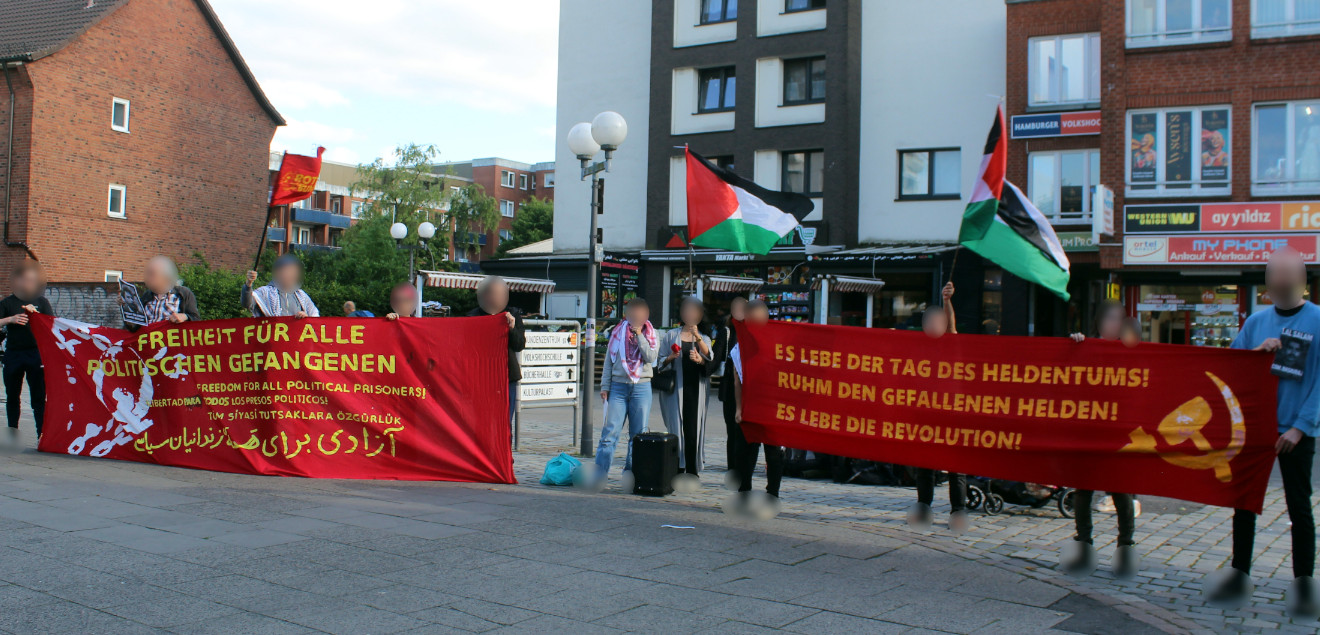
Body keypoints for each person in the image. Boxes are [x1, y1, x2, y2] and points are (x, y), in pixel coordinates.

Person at [1208, 249, 1319, 617]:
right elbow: (1235, 371)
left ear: (1301, 280)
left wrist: (1301, 428)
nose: (1282, 283)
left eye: (1289, 276)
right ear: (1269, 282)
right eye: (1276, 277)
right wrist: (1258, 352)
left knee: (1299, 507)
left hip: (1293, 433)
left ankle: (1303, 581)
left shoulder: (1318, 320)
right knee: (1244, 503)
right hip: (1256, 431)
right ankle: (1240, 573)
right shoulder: (1256, 322)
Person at [1064, 302, 1139, 578]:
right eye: (1109, 318)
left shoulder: (1131, 350)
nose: (1114, 323)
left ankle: (1125, 547)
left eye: (1118, 318)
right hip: (1090, 429)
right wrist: (1075, 344)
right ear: (1099, 322)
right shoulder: (1087, 346)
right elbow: (1067, 373)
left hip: (1118, 431)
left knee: (1120, 490)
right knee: (1084, 490)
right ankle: (1083, 543)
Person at [910, 282, 969, 532]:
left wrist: (947, 301)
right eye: (930, 322)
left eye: (939, 322)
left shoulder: (951, 346)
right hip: (926, 413)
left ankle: (958, 510)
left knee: (956, 466)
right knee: (925, 463)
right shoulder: (918, 348)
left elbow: (953, 327)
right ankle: (924, 506)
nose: (935, 326)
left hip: (952, 413)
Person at [595, 298, 658, 480]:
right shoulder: (617, 332)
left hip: (642, 387)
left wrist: (639, 335)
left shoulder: (652, 334)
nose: (635, 316)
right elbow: (609, 360)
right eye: (632, 313)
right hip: (618, 387)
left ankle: (631, 475)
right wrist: (605, 386)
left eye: (639, 313)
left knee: (637, 436)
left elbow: (650, 357)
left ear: (645, 315)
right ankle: (599, 474)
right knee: (610, 433)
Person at [731, 300, 784, 500]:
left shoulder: (777, 341)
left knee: (774, 452)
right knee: (745, 452)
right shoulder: (740, 345)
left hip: (772, 405)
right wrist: (738, 408)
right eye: (751, 318)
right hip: (749, 404)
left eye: (759, 317)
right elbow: (737, 380)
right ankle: (744, 491)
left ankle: (772, 494)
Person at [658, 297, 714, 476]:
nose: (690, 314)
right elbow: (659, 362)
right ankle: (677, 468)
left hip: (696, 389)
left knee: (693, 429)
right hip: (675, 390)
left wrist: (699, 356)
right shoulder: (671, 335)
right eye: (687, 310)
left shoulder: (703, 337)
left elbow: (709, 358)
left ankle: (692, 469)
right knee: (676, 428)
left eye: (694, 311)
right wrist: (670, 358)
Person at [1, 261, 53, 440]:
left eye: (32, 280)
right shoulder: (7, 302)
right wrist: (10, 319)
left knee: (38, 397)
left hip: (35, 354)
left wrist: (36, 316)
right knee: (12, 396)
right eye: (25, 280)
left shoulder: (42, 302)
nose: (28, 283)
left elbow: (52, 326)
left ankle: (42, 434)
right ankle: (12, 434)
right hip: (14, 354)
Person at [468, 276, 525, 432]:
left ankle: (504, 456)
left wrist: (512, 328)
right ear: (483, 295)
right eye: (491, 294)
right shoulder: (472, 317)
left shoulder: (512, 314)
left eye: (499, 294)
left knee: (505, 424)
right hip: (481, 378)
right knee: (481, 423)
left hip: (507, 377)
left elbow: (520, 345)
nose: (495, 298)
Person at [713, 297, 749, 480]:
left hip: (749, 389)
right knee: (732, 431)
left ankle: (744, 467)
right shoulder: (726, 332)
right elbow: (716, 358)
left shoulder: (754, 331)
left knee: (745, 432)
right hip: (729, 388)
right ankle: (733, 469)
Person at [124, 256, 200, 331]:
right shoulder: (147, 295)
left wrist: (185, 317)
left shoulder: (183, 293)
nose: (149, 278)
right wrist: (126, 307)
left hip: (171, 341)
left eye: (153, 274)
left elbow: (196, 320)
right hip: (148, 341)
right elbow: (134, 327)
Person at [243, 255, 318, 318]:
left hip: (294, 335)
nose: (291, 275)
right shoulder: (265, 293)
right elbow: (247, 304)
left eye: (294, 272)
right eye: (288, 271)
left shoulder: (302, 296)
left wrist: (305, 317)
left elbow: (314, 318)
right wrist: (249, 284)